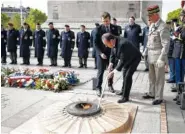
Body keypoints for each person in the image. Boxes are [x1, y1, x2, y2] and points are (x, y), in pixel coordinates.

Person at [142, 5, 170, 105]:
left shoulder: (163, 27)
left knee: (159, 78)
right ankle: (151, 92)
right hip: (150, 55)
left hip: (158, 56)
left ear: (155, 14)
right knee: (151, 77)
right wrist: (145, 51)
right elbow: (150, 41)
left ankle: (159, 97)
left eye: (150, 16)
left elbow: (166, 44)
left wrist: (162, 58)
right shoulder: (152, 25)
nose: (148, 18)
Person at [103, 33, 142, 103]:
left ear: (111, 41)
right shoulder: (113, 41)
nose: (106, 45)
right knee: (124, 74)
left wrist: (113, 72)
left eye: (106, 43)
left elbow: (122, 61)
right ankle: (123, 91)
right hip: (127, 58)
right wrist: (111, 63)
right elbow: (113, 53)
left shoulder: (122, 44)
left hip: (134, 59)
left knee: (127, 76)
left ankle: (125, 97)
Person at [94, 12, 119, 96]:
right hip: (101, 54)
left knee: (111, 70)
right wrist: (101, 53)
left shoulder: (115, 28)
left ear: (110, 19)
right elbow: (95, 43)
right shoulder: (98, 29)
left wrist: (115, 53)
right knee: (100, 71)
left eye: (107, 21)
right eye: (103, 21)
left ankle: (110, 85)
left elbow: (117, 41)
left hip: (111, 54)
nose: (105, 23)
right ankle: (98, 88)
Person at [172, 10, 185, 99]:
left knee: (182, 73)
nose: (182, 18)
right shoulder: (180, 27)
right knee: (178, 73)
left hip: (183, 53)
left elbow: (181, 36)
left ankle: (181, 94)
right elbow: (175, 35)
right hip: (177, 52)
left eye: (183, 16)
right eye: (181, 16)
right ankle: (178, 93)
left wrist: (177, 36)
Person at [166, 20, 176, 84]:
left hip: (172, 52)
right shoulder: (169, 32)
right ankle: (171, 77)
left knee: (172, 66)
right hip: (169, 52)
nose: (169, 26)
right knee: (170, 66)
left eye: (170, 24)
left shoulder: (174, 32)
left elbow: (173, 42)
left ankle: (172, 78)